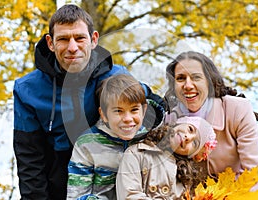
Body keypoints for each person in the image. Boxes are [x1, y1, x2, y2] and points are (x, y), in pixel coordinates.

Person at [13, 4, 163, 200]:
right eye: (63, 39)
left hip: (113, 185)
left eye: (80, 38)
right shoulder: (27, 90)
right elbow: (30, 161)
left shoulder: (116, 76)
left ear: (93, 39)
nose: (72, 47)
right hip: (57, 188)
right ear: (50, 43)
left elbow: (154, 108)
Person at [164, 51, 258, 199]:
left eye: (196, 77)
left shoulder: (237, 109)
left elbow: (254, 173)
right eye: (180, 78)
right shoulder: (170, 120)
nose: (188, 85)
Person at [67, 74, 153, 199]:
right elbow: (77, 195)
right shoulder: (87, 144)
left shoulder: (150, 141)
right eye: (118, 111)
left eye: (134, 110)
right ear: (104, 114)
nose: (128, 119)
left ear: (144, 110)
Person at [116, 116, 217, 199]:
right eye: (190, 129)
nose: (188, 137)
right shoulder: (137, 153)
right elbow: (129, 195)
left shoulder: (185, 179)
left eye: (194, 143)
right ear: (179, 123)